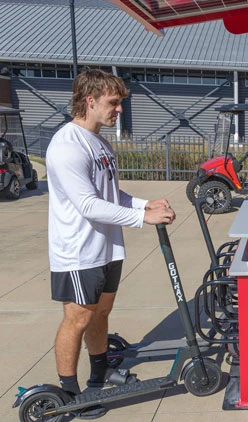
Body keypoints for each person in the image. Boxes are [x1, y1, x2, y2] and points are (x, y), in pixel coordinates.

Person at [46, 69, 176, 419]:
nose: (119, 110)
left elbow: (111, 194)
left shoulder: (99, 142)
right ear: (89, 100)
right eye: (113, 103)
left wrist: (142, 204)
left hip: (106, 247)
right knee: (77, 320)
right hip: (78, 251)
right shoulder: (67, 146)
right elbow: (87, 204)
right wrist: (141, 219)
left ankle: (99, 374)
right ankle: (70, 393)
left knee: (101, 313)